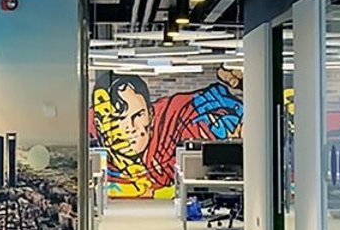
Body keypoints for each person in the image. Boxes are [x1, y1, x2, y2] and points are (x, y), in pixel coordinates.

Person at [89, 67, 243, 198]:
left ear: (151, 115)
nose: (130, 127)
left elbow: (212, 104)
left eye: (138, 115)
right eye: (118, 119)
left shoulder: (174, 121)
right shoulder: (89, 130)